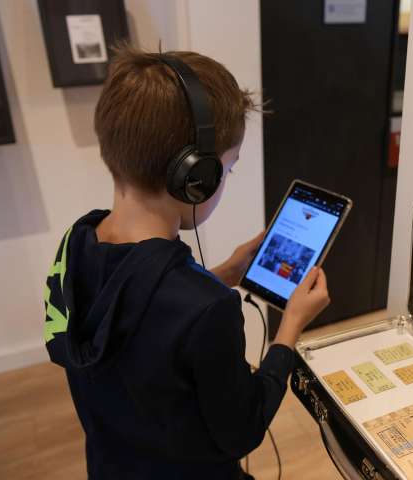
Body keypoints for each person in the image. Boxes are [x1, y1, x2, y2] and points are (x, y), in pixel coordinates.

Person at [43, 45, 330, 479]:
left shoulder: (77, 243)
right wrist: (290, 325)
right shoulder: (208, 308)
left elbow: (136, 316)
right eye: (227, 170)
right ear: (196, 177)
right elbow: (243, 429)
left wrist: (225, 273)